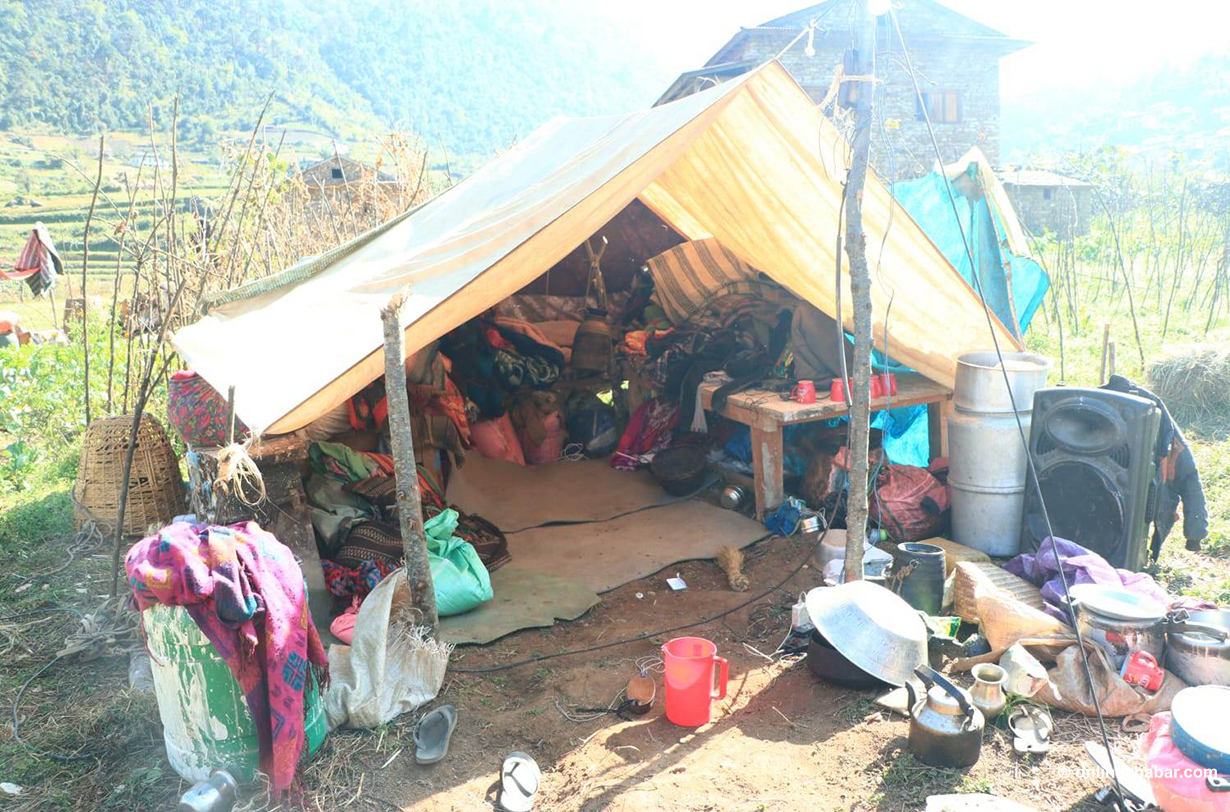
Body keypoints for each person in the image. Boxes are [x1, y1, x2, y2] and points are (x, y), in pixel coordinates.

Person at [1101, 375, 1207, 558]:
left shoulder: (1161, 425)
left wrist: (1195, 535)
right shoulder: (1092, 407)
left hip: (1139, 496)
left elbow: (1189, 478)